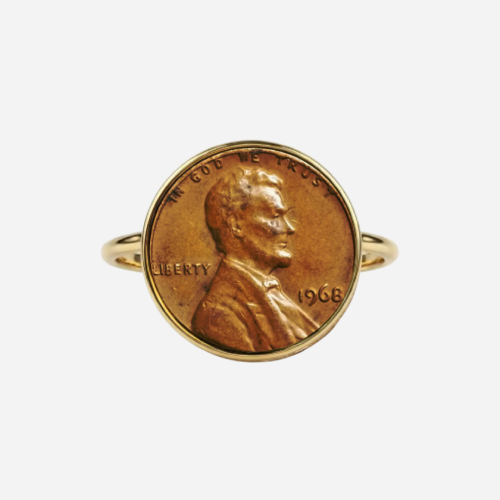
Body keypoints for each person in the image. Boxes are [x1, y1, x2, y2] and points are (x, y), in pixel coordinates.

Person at [192, 167, 319, 352]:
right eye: (275, 216)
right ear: (236, 225)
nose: (289, 228)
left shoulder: (269, 292)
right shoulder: (219, 316)